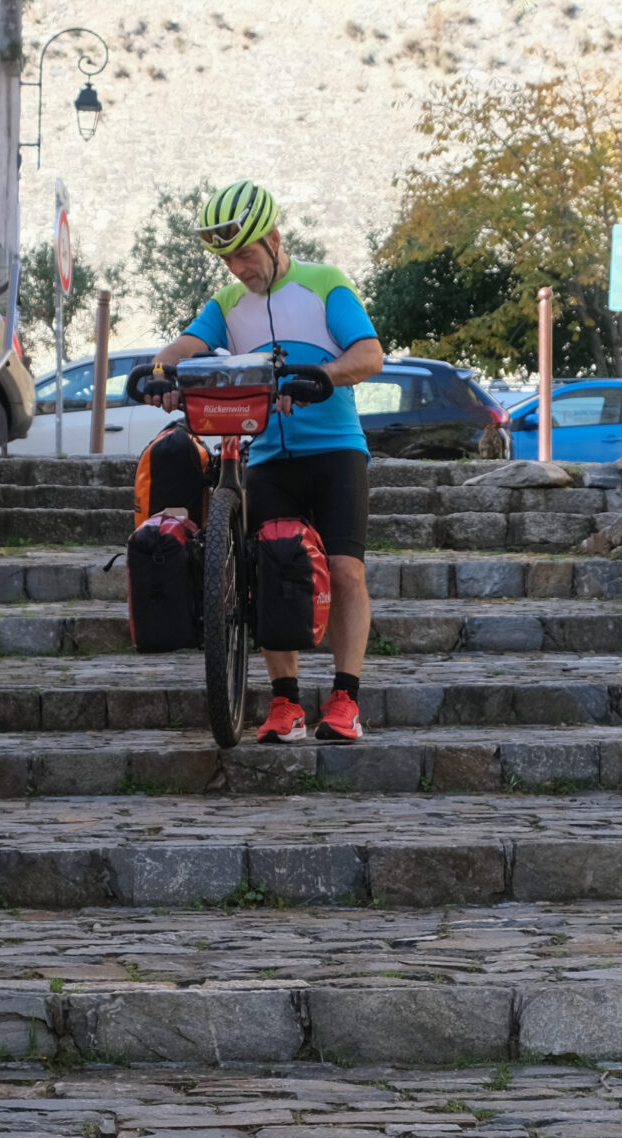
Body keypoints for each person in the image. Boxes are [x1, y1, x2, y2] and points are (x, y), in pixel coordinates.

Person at [150, 181, 385, 743]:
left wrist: (321, 376)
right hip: (267, 455)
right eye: (227, 259)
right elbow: (182, 348)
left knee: (346, 570)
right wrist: (160, 373)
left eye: (245, 254)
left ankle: (345, 700)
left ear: (275, 239)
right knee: (269, 574)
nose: (237, 268)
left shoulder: (325, 285)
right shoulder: (228, 304)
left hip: (335, 449)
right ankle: (286, 704)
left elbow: (370, 355)